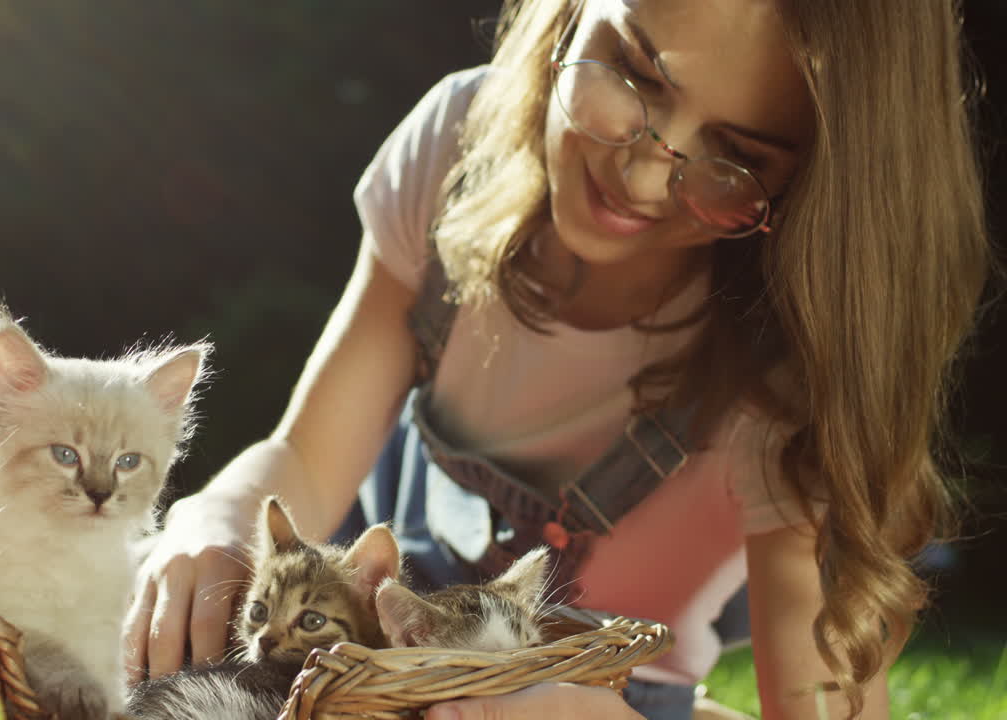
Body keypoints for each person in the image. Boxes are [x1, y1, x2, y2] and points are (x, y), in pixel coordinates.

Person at [124, 0, 992, 718]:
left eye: (736, 159)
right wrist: (213, 518)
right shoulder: (459, 151)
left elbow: (816, 690)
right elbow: (306, 457)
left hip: (600, 701)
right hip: (368, 663)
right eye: (636, 74)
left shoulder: (782, 366)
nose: (646, 177)